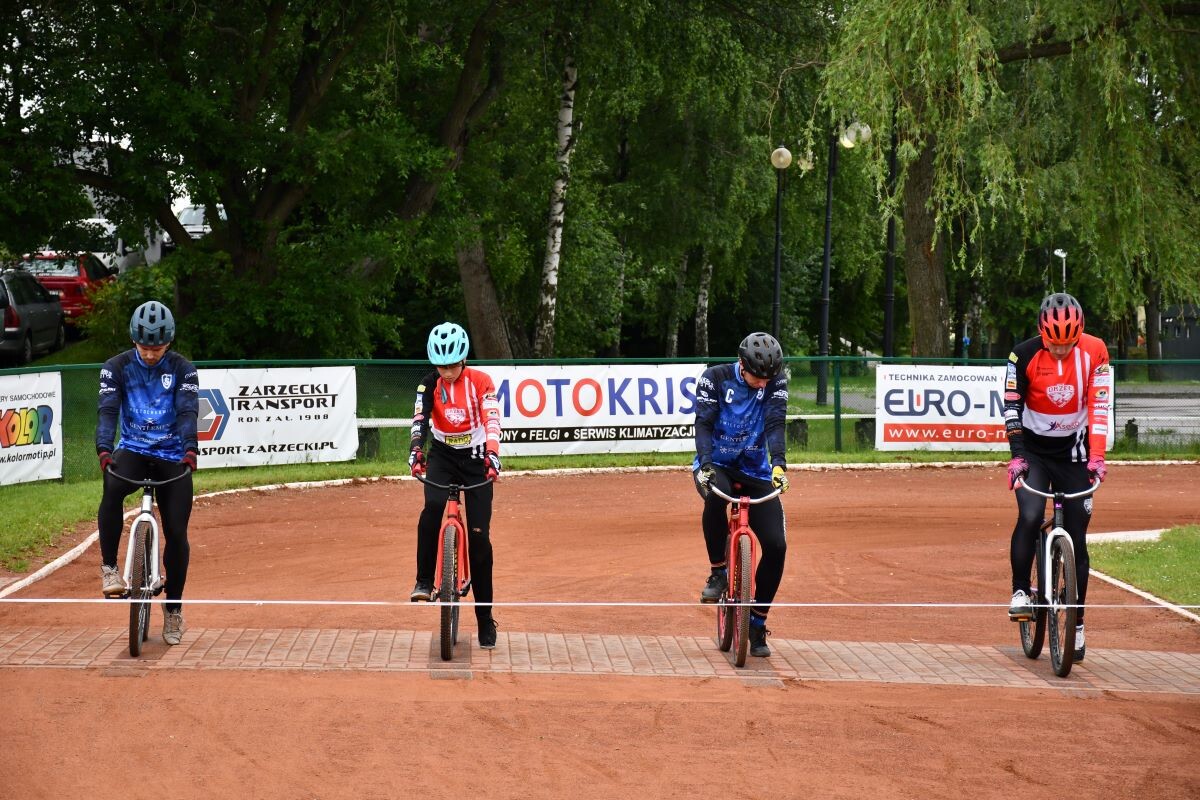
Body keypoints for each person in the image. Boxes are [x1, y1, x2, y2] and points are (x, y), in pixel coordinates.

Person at [1004, 292, 1111, 661]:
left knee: (1078, 536)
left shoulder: (1096, 352)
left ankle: (1077, 624)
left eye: (1069, 343)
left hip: (1075, 452)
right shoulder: (1022, 354)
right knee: (1031, 514)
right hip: (1033, 451)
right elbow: (1011, 407)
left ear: (1079, 335)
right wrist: (1017, 456)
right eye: (1055, 343)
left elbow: (1099, 406)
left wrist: (1097, 457)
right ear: (1042, 333)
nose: (1062, 350)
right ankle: (1021, 591)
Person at [96, 300, 199, 646]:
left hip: (172, 454)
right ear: (134, 341)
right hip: (135, 450)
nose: (151, 354)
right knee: (111, 489)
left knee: (177, 532)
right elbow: (108, 411)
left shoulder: (184, 369)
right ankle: (110, 568)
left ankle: (173, 611)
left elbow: (187, 411)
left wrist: (189, 449)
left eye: (157, 348)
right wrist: (104, 449)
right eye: (144, 347)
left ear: (168, 342)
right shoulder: (116, 367)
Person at [693, 331, 790, 658]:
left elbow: (776, 423)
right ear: (741, 365)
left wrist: (778, 464)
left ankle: (757, 622)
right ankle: (719, 572)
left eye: (768, 378)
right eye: (757, 377)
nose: (763, 384)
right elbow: (703, 424)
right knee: (716, 496)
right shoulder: (714, 379)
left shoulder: (775, 382)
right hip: (716, 462)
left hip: (755, 470)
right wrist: (705, 462)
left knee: (777, 544)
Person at [408, 322, 503, 649]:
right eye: (441, 365)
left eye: (452, 365)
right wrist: (416, 451)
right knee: (432, 508)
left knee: (479, 539)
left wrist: (493, 454)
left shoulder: (481, 382)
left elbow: (492, 420)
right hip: (444, 456)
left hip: (477, 460)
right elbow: (419, 420)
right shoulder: (429, 384)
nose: (447, 371)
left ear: (463, 360)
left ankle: (484, 618)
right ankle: (423, 580)